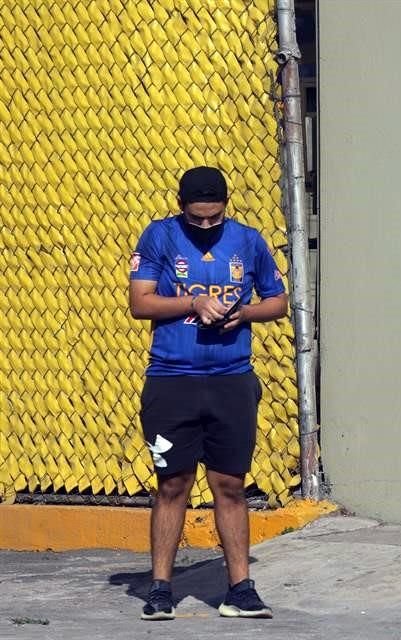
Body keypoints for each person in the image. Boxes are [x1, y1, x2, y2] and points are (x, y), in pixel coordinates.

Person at [128, 166, 288, 620]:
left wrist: (247, 314)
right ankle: (161, 588)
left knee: (230, 486)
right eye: (196, 219)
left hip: (230, 381)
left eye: (213, 219)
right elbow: (140, 303)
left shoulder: (248, 240)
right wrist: (193, 302)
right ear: (181, 207)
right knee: (172, 484)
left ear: (225, 207)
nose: (204, 227)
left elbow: (277, 301)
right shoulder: (159, 237)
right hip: (172, 381)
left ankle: (240, 589)